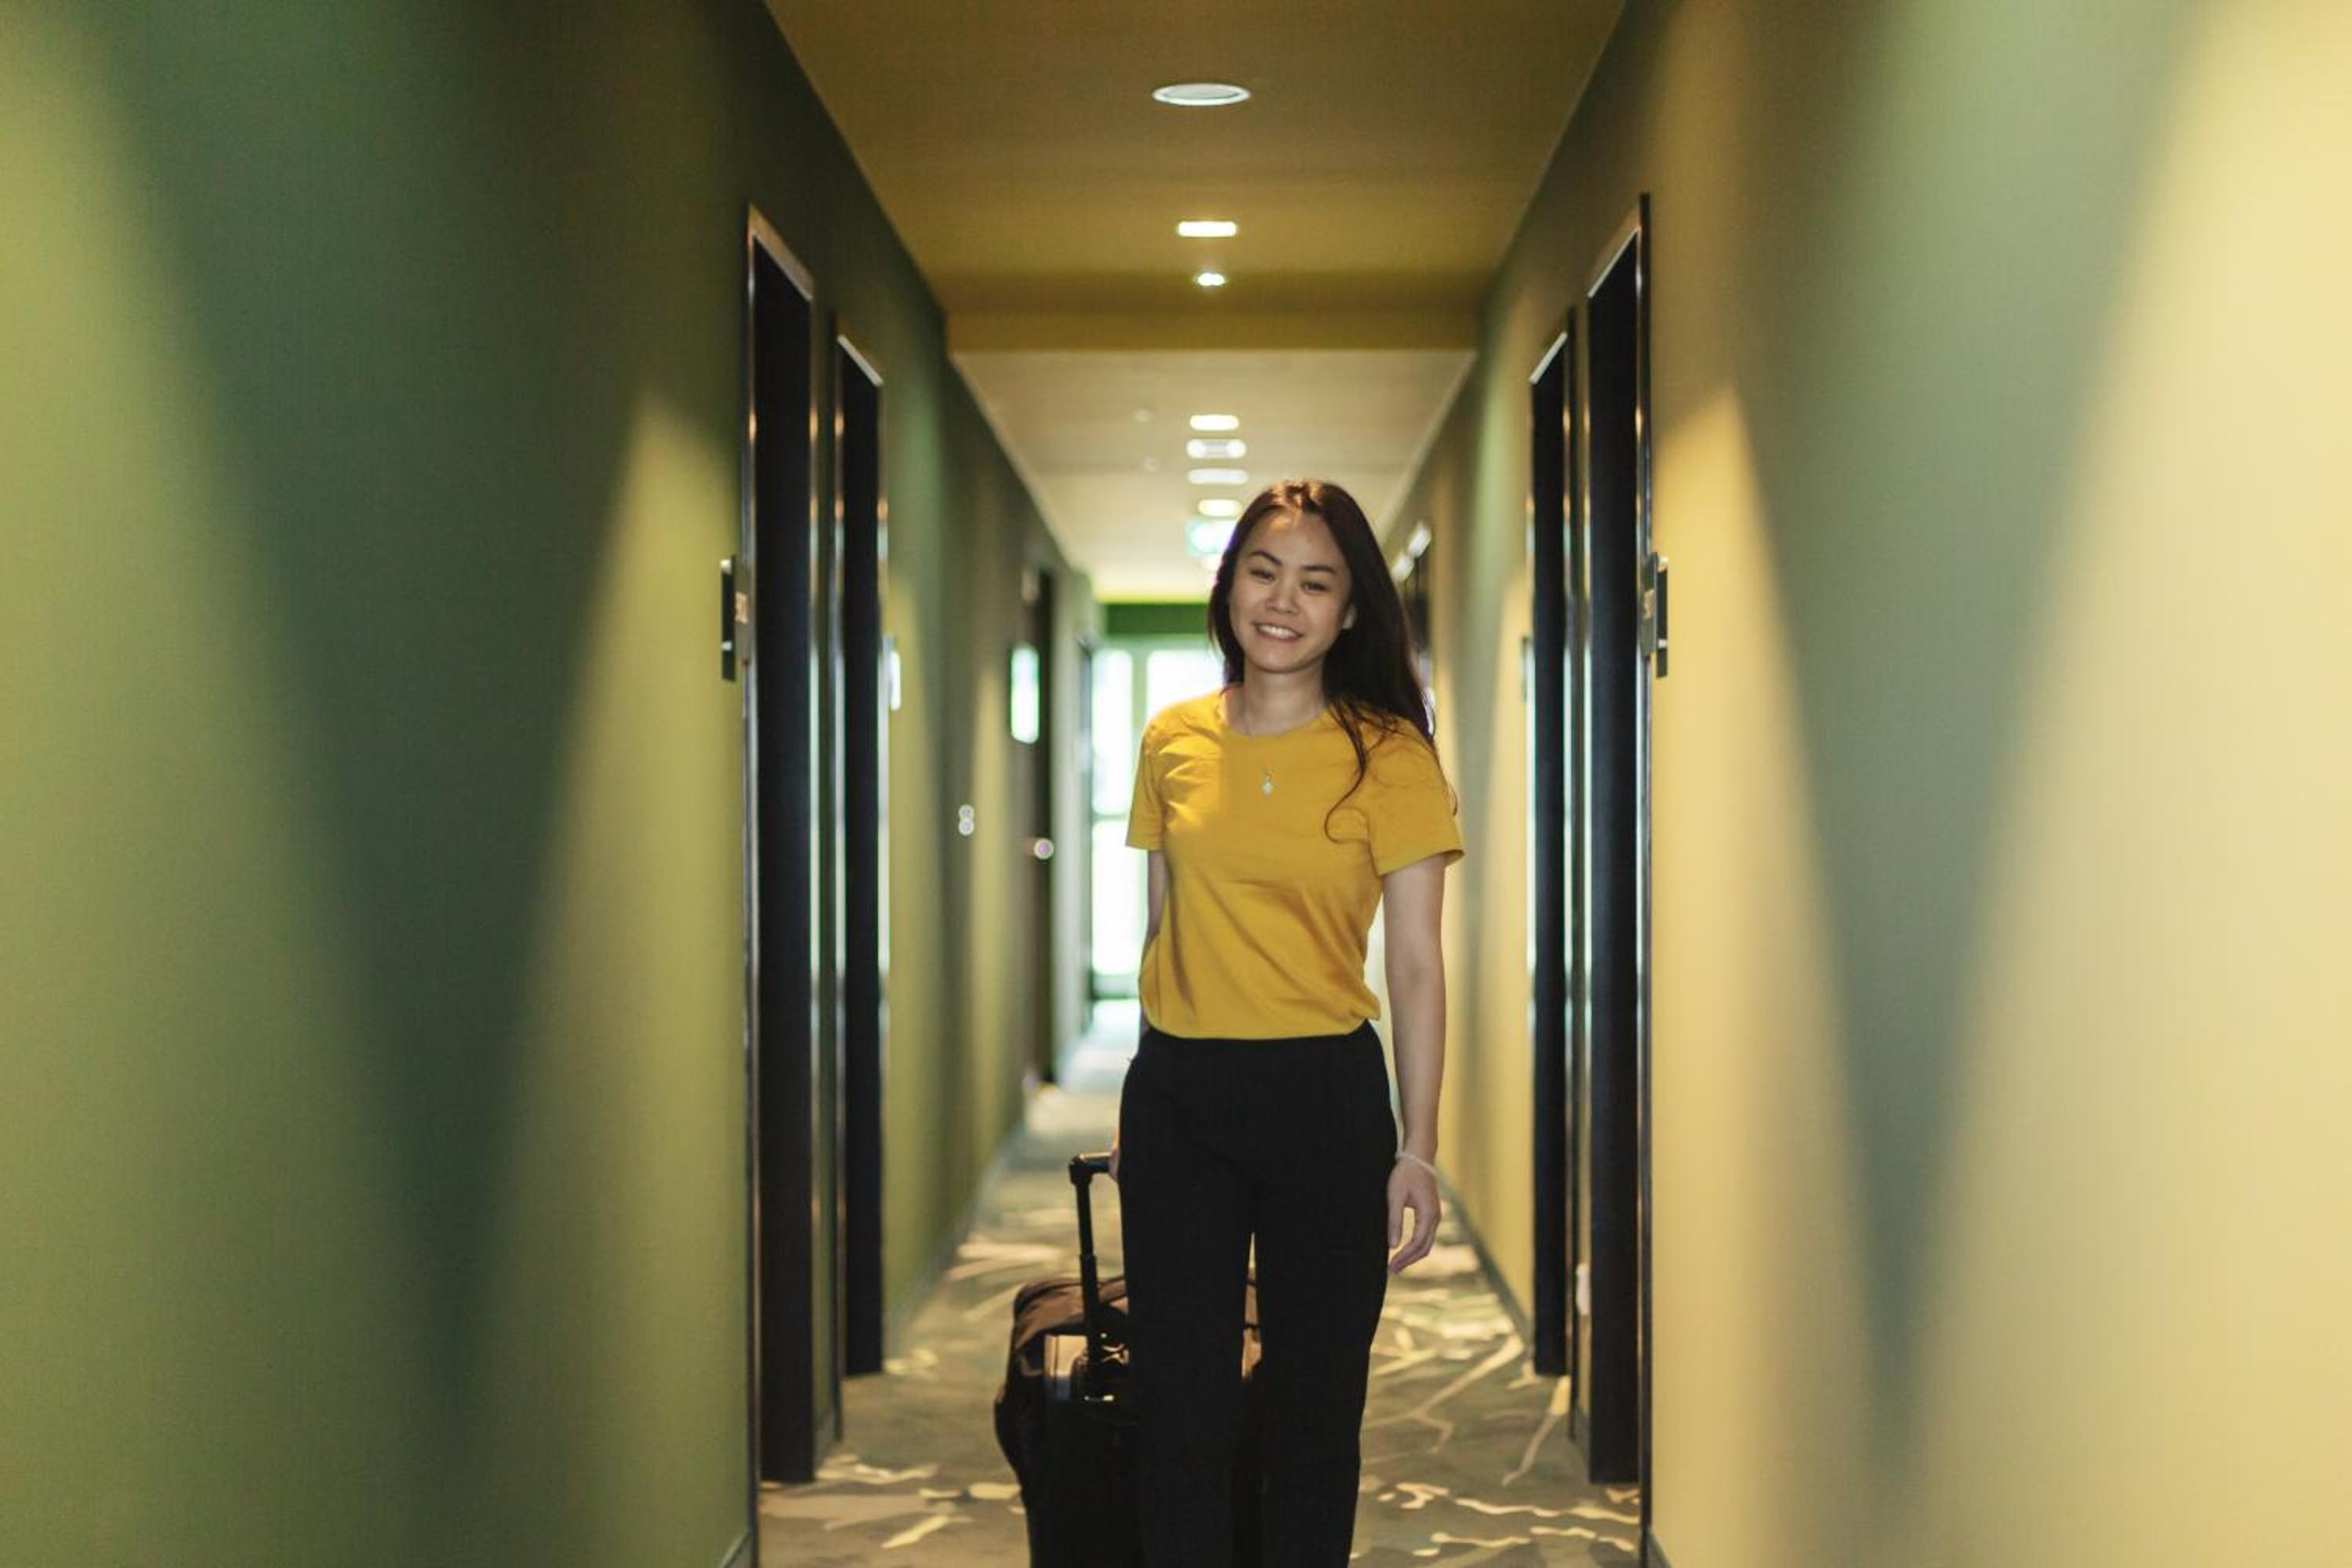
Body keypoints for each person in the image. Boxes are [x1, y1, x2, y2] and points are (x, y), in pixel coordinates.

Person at [1109, 477, 1464, 1565]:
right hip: (1182, 1098)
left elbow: (1416, 965)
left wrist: (1418, 1147)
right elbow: (1165, 931)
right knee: (1181, 1407)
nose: (1283, 601)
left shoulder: (1390, 755)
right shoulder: (1172, 741)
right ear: (1229, 588)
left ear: (1350, 612)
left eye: (1316, 583)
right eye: (1263, 573)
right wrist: (1144, 1094)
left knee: (1315, 1409)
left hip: (1325, 1101)